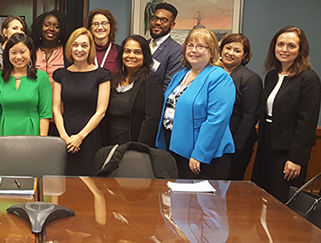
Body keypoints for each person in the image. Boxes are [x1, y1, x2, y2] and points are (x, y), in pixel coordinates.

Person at [252, 26, 321, 203]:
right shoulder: (272, 76)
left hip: (288, 155)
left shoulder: (308, 79)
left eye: (291, 46)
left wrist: (295, 159)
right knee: (260, 200)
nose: (284, 49)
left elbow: (307, 123)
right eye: (280, 44)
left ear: (300, 50)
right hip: (266, 149)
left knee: (281, 205)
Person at [155, 28, 235, 180]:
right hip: (175, 148)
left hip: (203, 156)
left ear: (211, 51)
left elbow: (217, 120)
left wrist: (200, 154)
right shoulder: (181, 74)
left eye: (200, 46)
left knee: (201, 203)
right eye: (190, 45)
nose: (193, 50)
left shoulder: (219, 77)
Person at [53, 28, 111, 176]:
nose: (79, 49)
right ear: (70, 47)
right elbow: (56, 109)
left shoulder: (102, 75)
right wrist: (65, 138)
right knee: (63, 182)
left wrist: (80, 137)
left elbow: (101, 111)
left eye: (84, 45)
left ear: (90, 48)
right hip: (64, 135)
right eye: (75, 45)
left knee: (90, 183)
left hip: (90, 136)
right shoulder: (60, 74)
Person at [102, 35, 163, 147]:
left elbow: (151, 119)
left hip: (134, 145)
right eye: (127, 51)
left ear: (145, 56)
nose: (131, 56)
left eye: (137, 52)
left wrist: (137, 148)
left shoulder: (151, 80)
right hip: (109, 144)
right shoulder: (113, 79)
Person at [0, 33, 52, 136]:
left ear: (31, 52)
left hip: (32, 134)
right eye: (13, 52)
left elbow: (45, 113)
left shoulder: (41, 77)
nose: (18, 57)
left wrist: (42, 141)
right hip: (4, 134)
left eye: (23, 52)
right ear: (7, 55)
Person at [219, 33, 263, 180]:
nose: (231, 53)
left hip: (236, 144)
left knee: (229, 187)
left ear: (244, 56)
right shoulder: (212, 73)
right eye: (228, 48)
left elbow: (250, 115)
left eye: (237, 50)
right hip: (213, 141)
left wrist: (235, 145)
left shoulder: (250, 79)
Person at [148, 3, 184, 90]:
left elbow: (169, 86)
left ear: (172, 25)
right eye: (155, 18)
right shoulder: (143, 45)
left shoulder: (177, 51)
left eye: (163, 20)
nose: (157, 22)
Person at [32, 9, 71, 86]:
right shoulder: (32, 50)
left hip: (59, 97)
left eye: (56, 26)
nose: (51, 29)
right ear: (40, 27)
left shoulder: (67, 52)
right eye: (47, 25)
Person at [0, 16, 26, 86]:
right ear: (5, 32)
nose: (19, 32)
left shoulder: (25, 55)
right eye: (15, 28)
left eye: (22, 29)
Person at [86, 9, 120, 74]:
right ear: (90, 28)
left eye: (104, 23)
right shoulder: (85, 51)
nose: (100, 27)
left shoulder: (119, 52)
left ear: (111, 26)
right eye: (96, 24)